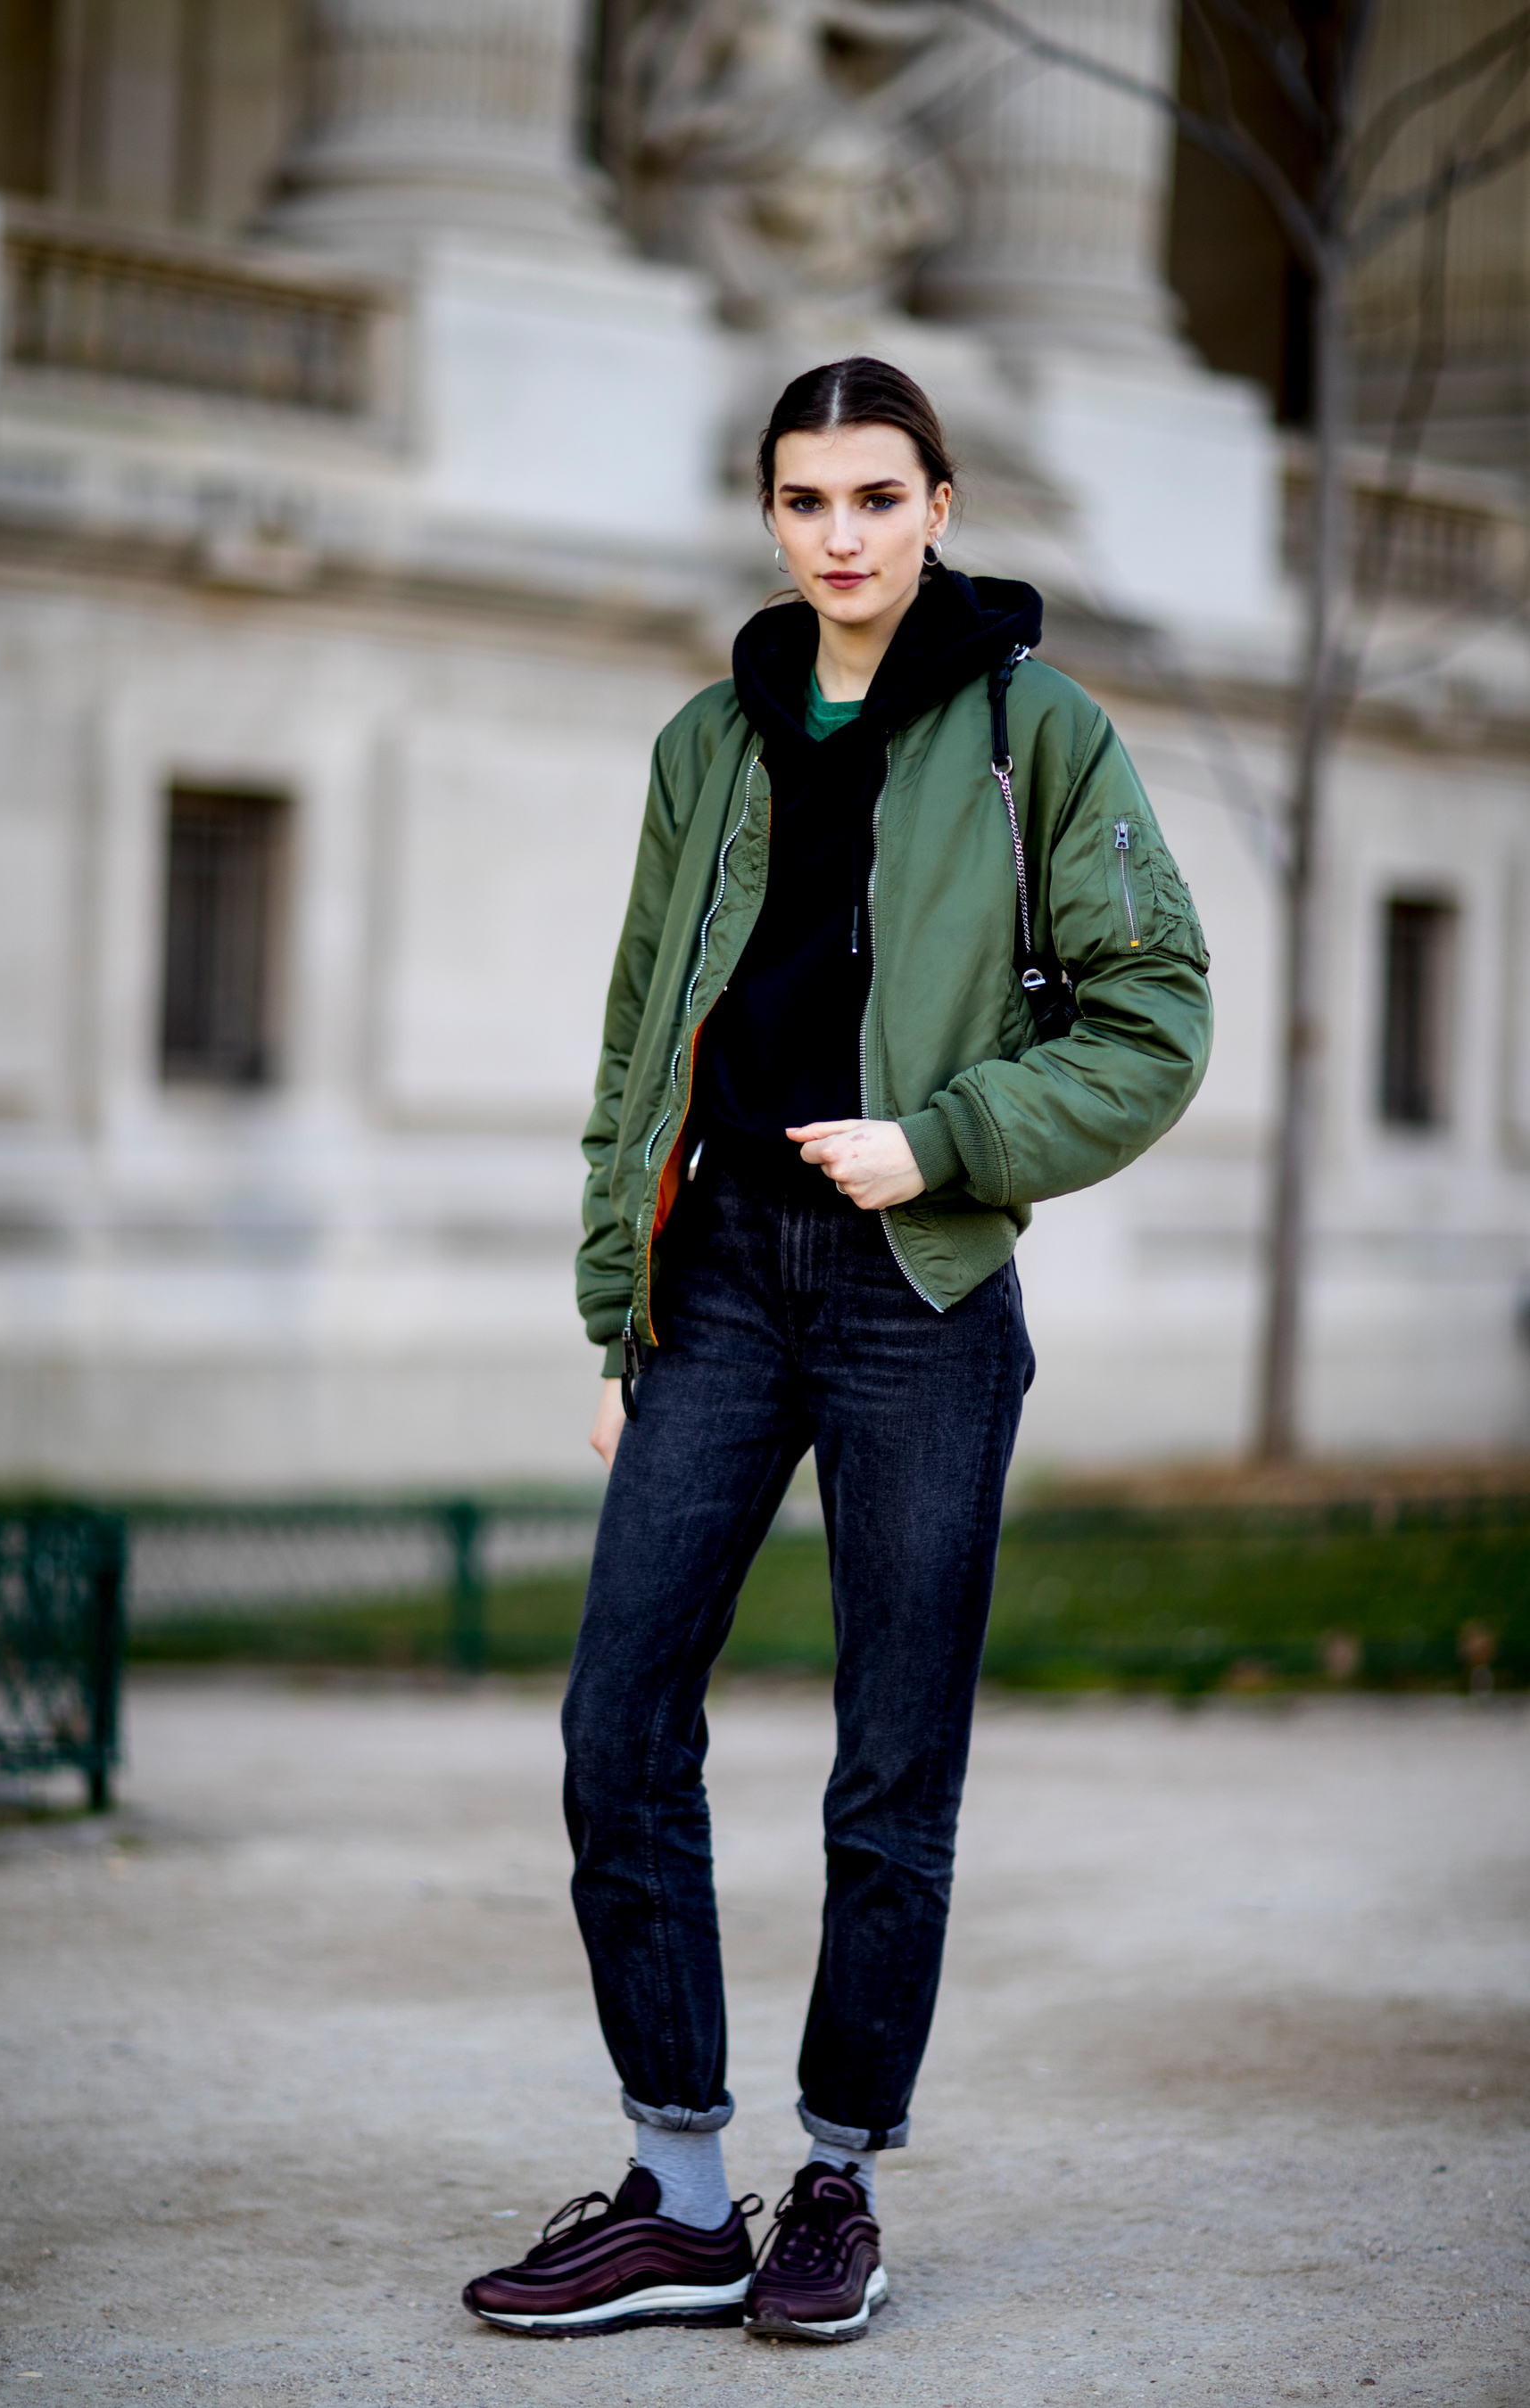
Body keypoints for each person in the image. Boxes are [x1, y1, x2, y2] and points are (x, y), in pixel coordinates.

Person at [463, 357, 1212, 2345]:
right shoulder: (708, 739)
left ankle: (838, 2185)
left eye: (878, 496)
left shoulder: (1037, 733)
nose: (842, 534)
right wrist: (619, 1307)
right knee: (618, 1725)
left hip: (920, 1290)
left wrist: (944, 1142)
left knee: (893, 1761)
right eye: (806, 499)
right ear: (772, 515)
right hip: (716, 1275)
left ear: (941, 508)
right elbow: (640, 1033)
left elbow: (1155, 1013)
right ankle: (679, 2191)